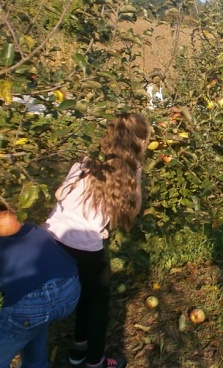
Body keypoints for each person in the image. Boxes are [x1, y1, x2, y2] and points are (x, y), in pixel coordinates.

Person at [45, 112, 151, 368]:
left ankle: (78, 350)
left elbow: (60, 193)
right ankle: (96, 361)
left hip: (53, 239)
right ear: (138, 143)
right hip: (84, 244)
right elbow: (132, 211)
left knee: (85, 293)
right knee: (98, 302)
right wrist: (137, 172)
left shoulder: (87, 161)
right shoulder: (125, 172)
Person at [1, 203, 80, 368]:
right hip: (69, 290)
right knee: (33, 325)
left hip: (30, 306)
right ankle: (36, 363)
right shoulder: (33, 229)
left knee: (27, 321)